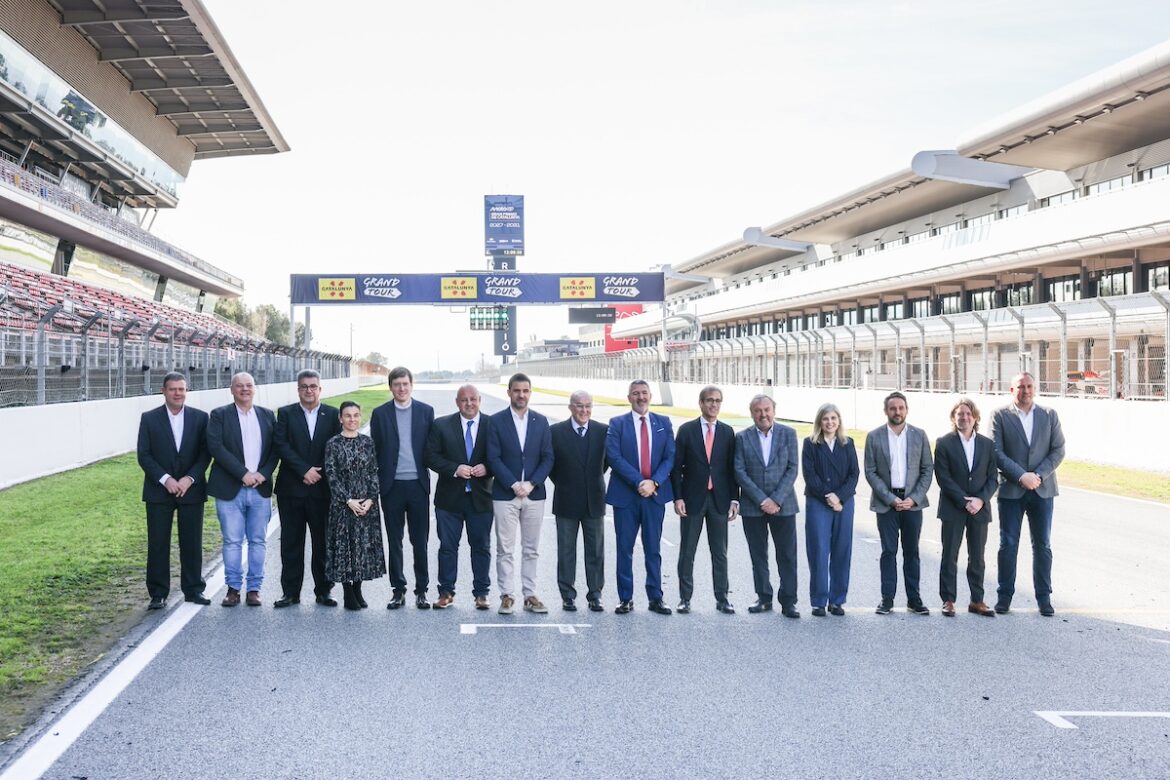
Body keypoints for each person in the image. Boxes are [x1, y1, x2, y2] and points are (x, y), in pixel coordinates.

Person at [991, 372, 1066, 616]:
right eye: (1020, 387)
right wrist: (1021, 475)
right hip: (1012, 490)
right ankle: (1004, 596)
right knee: (1008, 543)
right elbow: (997, 452)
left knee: (1042, 544)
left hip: (1042, 490)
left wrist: (1038, 476)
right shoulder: (1000, 416)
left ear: (1035, 388)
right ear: (1012, 390)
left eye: (1029, 386)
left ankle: (1044, 598)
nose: (1025, 390)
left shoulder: (1049, 415)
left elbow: (1058, 450)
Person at [135, 372, 211, 609]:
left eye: (182, 389)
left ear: (186, 391)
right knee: (158, 543)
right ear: (163, 391)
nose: (178, 393)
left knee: (192, 542)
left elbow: (204, 454)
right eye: (173, 389)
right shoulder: (149, 418)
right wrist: (166, 479)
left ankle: (193, 589)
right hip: (159, 490)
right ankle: (158, 593)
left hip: (191, 489)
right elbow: (144, 455)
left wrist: (189, 479)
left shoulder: (200, 418)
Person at [272, 369, 342, 608]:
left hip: (322, 490)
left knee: (322, 543)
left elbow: (336, 446)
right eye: (304, 386)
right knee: (291, 543)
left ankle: (324, 591)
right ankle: (290, 592)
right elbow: (281, 445)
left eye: (313, 386)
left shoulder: (333, 414)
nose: (309, 390)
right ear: (298, 389)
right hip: (291, 489)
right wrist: (304, 470)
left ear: (320, 389)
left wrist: (318, 471)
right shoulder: (286, 413)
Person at [207, 372, 278, 607]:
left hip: (260, 488)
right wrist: (243, 474)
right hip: (230, 489)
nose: (244, 389)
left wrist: (262, 474)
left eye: (248, 385)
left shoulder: (267, 416)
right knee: (232, 541)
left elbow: (275, 450)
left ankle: (254, 589)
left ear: (254, 389)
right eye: (239, 386)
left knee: (258, 541)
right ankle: (233, 589)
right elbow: (216, 447)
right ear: (232, 389)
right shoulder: (219, 415)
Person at [605, 379, 676, 615]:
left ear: (650, 396)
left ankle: (656, 597)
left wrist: (654, 481)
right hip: (626, 496)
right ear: (629, 398)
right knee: (624, 549)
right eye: (635, 393)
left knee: (653, 549)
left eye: (644, 393)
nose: (640, 397)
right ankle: (625, 598)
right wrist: (639, 482)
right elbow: (614, 457)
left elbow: (670, 457)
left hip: (654, 495)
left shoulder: (663, 423)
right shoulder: (617, 423)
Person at [486, 373, 554, 615]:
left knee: (531, 548)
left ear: (530, 392)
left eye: (525, 391)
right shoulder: (496, 421)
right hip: (506, 494)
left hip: (534, 494)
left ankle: (530, 594)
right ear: (509, 392)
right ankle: (506, 595)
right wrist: (514, 484)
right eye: (517, 391)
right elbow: (493, 458)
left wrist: (532, 483)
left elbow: (548, 457)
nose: (521, 395)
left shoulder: (541, 421)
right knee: (505, 548)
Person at [424, 384, 494, 610]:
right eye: (464, 400)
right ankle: (446, 592)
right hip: (449, 500)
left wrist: (488, 467)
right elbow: (430, 457)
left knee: (481, 547)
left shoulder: (492, 425)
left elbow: (502, 455)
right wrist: (455, 468)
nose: (469, 403)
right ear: (457, 402)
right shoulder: (441, 425)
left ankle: (481, 594)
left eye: (473, 399)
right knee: (447, 547)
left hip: (481, 498)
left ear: (480, 400)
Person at [864, 391, 934, 616]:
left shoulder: (919, 435)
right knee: (889, 552)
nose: (897, 412)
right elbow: (871, 472)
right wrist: (890, 498)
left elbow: (927, 470)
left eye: (901, 408)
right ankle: (887, 599)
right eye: (893, 408)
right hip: (887, 503)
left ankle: (914, 599)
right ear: (886, 411)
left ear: (906, 409)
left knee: (912, 552)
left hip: (912, 503)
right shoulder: (874, 437)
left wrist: (913, 498)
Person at [370, 366, 435, 610]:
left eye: (405, 384)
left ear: (411, 384)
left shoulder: (426, 412)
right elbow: (374, 450)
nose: (401, 388)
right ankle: (398, 590)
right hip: (391, 486)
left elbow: (430, 448)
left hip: (418, 486)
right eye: (396, 385)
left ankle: (422, 590)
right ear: (390, 387)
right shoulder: (380, 414)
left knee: (420, 541)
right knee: (394, 541)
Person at [670, 385, 738, 615]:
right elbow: (676, 468)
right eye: (709, 400)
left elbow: (732, 469)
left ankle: (722, 598)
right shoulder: (687, 430)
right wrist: (678, 497)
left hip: (719, 500)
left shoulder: (728, 432)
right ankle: (685, 598)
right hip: (692, 500)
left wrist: (734, 500)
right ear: (701, 403)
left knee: (720, 552)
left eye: (718, 401)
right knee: (687, 551)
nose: (714, 404)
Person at [734, 394, 801, 618]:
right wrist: (762, 500)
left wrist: (775, 500)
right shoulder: (742, 438)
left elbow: (792, 468)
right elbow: (739, 471)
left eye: (767, 409)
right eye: (758, 410)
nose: (763, 414)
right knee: (758, 555)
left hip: (784, 505)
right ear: (751, 413)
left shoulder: (789, 434)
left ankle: (789, 601)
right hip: (753, 506)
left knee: (787, 555)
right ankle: (764, 597)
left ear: (774, 410)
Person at [934, 397, 998, 617]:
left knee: (977, 557)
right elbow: (943, 477)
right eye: (960, 414)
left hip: (980, 509)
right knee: (949, 554)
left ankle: (977, 600)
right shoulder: (944, 443)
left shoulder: (987, 445)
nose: (964, 417)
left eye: (968, 414)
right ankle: (949, 600)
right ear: (954, 418)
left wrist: (980, 500)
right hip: (953, 508)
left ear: (975, 417)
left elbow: (992, 479)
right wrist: (964, 501)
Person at [549, 390, 608, 613]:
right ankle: (567, 595)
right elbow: (552, 467)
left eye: (588, 406)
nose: (584, 410)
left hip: (594, 500)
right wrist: (567, 483)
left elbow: (605, 464)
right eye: (579, 406)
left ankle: (595, 595)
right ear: (570, 407)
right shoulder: (555, 432)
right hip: (566, 499)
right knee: (566, 551)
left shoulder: (603, 431)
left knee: (595, 551)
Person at [323, 401, 386, 610]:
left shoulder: (368, 442)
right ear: (340, 418)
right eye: (348, 416)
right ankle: (347, 591)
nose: (352, 419)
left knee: (361, 549)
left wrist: (370, 499)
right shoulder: (333, 443)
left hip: (366, 504)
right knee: (345, 548)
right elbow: (331, 475)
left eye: (356, 415)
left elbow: (373, 471)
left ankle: (358, 588)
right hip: (343, 505)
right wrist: (348, 500)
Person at [800, 403, 859, 617]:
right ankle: (818, 601)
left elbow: (854, 474)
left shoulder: (848, 443)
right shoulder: (810, 444)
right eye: (825, 419)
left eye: (833, 418)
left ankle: (837, 600)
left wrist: (840, 497)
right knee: (818, 550)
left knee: (842, 551)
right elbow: (809, 475)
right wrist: (829, 496)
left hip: (843, 502)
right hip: (819, 501)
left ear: (839, 421)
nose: (830, 422)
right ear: (819, 422)